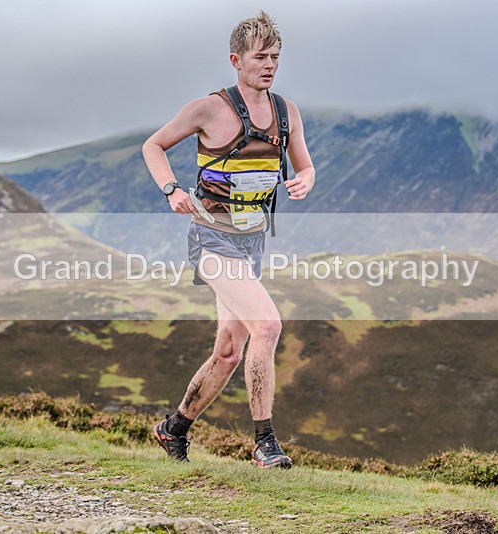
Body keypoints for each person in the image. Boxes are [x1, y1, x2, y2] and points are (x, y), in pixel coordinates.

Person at [141, 11, 315, 469]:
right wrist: (172, 190)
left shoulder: (286, 112)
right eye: (261, 56)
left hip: (253, 242)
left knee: (229, 350)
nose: (270, 64)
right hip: (211, 239)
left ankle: (173, 429)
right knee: (268, 325)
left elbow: (305, 165)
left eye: (276, 56)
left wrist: (305, 180)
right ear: (236, 60)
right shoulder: (208, 109)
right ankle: (264, 442)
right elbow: (153, 146)